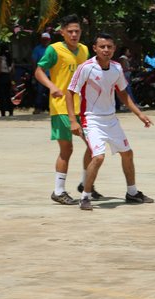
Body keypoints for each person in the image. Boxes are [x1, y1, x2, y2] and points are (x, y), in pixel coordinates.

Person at [66, 32, 154, 211]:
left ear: (114, 49)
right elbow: (70, 92)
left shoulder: (116, 68)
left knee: (127, 154)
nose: (106, 50)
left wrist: (139, 114)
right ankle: (85, 197)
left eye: (109, 47)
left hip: (111, 119)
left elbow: (122, 93)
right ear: (95, 49)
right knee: (98, 157)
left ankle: (132, 192)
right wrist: (72, 121)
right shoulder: (86, 68)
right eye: (102, 47)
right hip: (91, 119)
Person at [35, 14, 97, 205]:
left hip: (83, 108)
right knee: (66, 149)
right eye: (69, 31)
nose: (73, 34)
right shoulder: (54, 49)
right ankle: (58, 190)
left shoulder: (84, 50)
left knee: (94, 146)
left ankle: (86, 183)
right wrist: (52, 86)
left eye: (76, 31)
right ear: (62, 32)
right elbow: (39, 71)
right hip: (61, 107)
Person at [31, 32, 51, 114]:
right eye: (43, 39)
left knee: (51, 92)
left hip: (51, 74)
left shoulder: (52, 49)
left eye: (46, 39)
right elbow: (33, 62)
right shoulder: (37, 49)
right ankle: (38, 108)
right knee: (39, 92)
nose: (45, 41)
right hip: (41, 75)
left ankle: (51, 108)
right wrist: (34, 73)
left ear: (49, 40)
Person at [0, 43, 14, 117]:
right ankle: (11, 111)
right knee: (8, 95)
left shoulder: (0, 58)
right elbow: (13, 71)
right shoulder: (10, 59)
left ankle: (3, 112)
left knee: (2, 96)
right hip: (8, 77)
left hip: (1, 77)